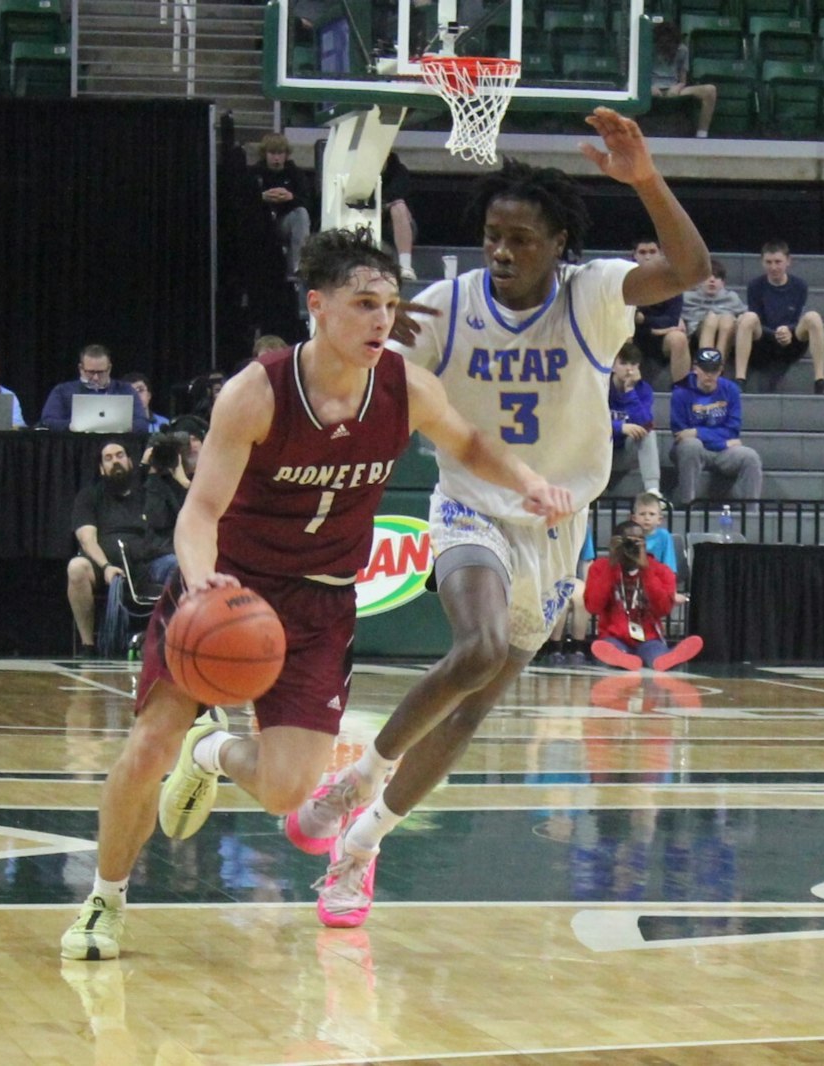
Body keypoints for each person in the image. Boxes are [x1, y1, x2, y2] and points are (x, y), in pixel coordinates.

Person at [59, 228, 573, 960]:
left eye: (390, 305)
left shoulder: (404, 388)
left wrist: (528, 482)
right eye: (364, 304)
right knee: (147, 746)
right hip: (229, 589)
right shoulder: (256, 393)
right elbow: (199, 513)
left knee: (284, 791)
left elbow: (467, 443)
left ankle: (209, 756)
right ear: (319, 306)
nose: (381, 321)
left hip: (320, 605)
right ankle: (104, 901)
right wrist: (201, 579)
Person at [285, 109, 710, 930]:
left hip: (556, 526)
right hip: (470, 505)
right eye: (492, 237)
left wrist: (645, 179)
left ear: (558, 244)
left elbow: (691, 267)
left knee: (476, 705)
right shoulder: (442, 308)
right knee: (475, 648)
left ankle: (363, 845)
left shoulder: (593, 297)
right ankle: (358, 779)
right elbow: (344, 362)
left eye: (521, 239)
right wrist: (363, 320)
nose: (504, 253)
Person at [66, 441, 174, 653]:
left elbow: (175, 519)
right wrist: (105, 565)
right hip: (105, 565)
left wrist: (174, 478)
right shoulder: (89, 496)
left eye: (120, 455)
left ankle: (167, 638)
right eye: (108, 458)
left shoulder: (148, 492)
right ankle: (87, 645)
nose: (115, 461)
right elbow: (87, 539)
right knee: (76, 567)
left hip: (147, 564)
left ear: (130, 462)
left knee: (178, 566)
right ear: (101, 468)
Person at [584, 519, 702, 672]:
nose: (631, 547)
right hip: (614, 637)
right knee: (609, 651)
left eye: (637, 541)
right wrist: (612, 563)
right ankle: (623, 659)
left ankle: (665, 658)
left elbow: (663, 609)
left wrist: (644, 569)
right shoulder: (600, 568)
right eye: (626, 542)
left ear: (645, 544)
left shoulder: (660, 570)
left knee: (656, 656)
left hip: (649, 638)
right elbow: (593, 606)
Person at [734, 240, 824, 395]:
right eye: (768, 262)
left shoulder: (799, 285)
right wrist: (776, 333)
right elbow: (756, 319)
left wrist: (789, 330)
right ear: (762, 262)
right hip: (764, 341)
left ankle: (820, 381)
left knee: (813, 317)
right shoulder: (755, 286)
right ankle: (740, 380)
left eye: (778, 262)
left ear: (788, 261)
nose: (773, 267)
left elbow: (796, 317)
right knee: (747, 317)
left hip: (791, 340)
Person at [670, 347, 763, 505]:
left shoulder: (730, 390)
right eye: (705, 369)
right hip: (695, 450)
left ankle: (751, 515)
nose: (709, 375)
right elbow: (680, 435)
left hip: (724, 451)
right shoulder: (681, 393)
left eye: (714, 370)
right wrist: (721, 440)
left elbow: (732, 429)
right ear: (695, 368)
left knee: (750, 457)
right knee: (690, 445)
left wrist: (697, 432)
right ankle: (687, 504)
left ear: (720, 370)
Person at [38, 344, 150, 432]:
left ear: (109, 368)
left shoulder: (126, 390)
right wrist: (73, 425)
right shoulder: (62, 391)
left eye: (101, 372)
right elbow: (48, 421)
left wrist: (120, 426)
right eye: (91, 372)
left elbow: (142, 423)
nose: (96, 378)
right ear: (81, 368)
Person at [249, 131, 314, 279]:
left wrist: (291, 197)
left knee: (301, 214)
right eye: (272, 153)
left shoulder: (295, 173)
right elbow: (241, 203)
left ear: (286, 154)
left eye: (280, 153)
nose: (276, 158)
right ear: (264, 154)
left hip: (284, 222)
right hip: (261, 224)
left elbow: (309, 203)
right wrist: (260, 197)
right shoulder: (254, 173)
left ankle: (299, 267)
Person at [631, 237, 691, 384]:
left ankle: (681, 392)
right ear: (635, 255)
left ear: (661, 254)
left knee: (679, 338)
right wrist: (653, 328)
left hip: (660, 339)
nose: (647, 256)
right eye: (642, 252)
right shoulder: (626, 280)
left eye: (652, 251)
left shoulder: (672, 283)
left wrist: (644, 320)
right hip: (633, 335)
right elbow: (624, 317)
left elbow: (672, 319)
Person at [607, 343, 661, 499]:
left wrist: (630, 390)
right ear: (612, 366)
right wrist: (619, 427)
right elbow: (589, 424)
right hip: (601, 450)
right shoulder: (600, 388)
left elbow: (645, 423)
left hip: (624, 452)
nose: (629, 369)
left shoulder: (643, 390)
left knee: (647, 434)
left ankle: (653, 490)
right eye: (623, 363)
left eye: (633, 364)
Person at [649, 20, 716, 138]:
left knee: (710, 90)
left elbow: (683, 80)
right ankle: (628, 135)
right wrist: (649, 87)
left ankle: (702, 134)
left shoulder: (682, 50)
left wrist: (677, 87)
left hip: (674, 88)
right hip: (651, 88)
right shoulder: (648, 49)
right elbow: (641, 75)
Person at [680, 258, 747, 360]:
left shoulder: (731, 297)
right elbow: (674, 313)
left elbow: (744, 314)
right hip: (695, 334)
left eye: (717, 277)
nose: (712, 280)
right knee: (711, 319)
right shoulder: (687, 297)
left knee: (727, 319)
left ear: (723, 283)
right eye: (707, 277)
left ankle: (718, 364)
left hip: (726, 332)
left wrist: (740, 318)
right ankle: (707, 364)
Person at [381, 152, 419, 281]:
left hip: (399, 227)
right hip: (374, 228)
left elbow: (395, 197)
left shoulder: (399, 172)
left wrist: (384, 206)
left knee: (399, 206)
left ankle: (406, 267)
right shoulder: (359, 175)